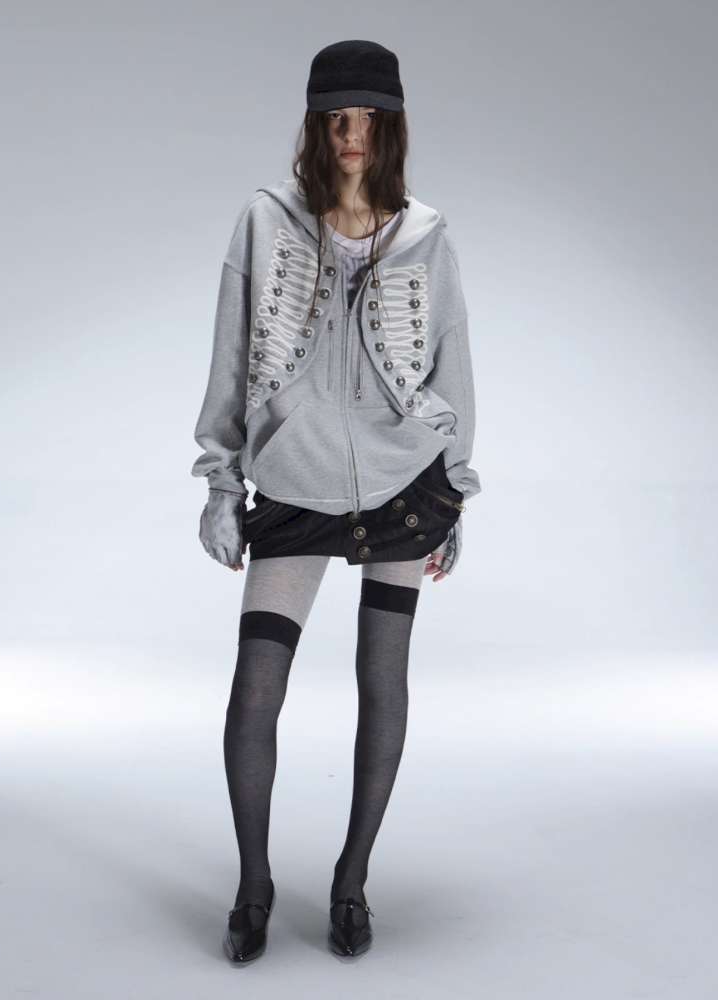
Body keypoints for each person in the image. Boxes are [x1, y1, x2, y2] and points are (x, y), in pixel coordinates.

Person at [190, 39, 481, 963]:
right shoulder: (265, 220)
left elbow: (453, 364)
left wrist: (456, 489)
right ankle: (254, 884)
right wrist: (220, 482)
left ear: (392, 125)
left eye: (369, 118)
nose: (353, 134)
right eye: (336, 118)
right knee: (255, 691)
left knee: (383, 680)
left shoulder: (428, 234)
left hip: (404, 486)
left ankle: (351, 883)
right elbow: (231, 357)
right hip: (296, 482)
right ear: (315, 124)